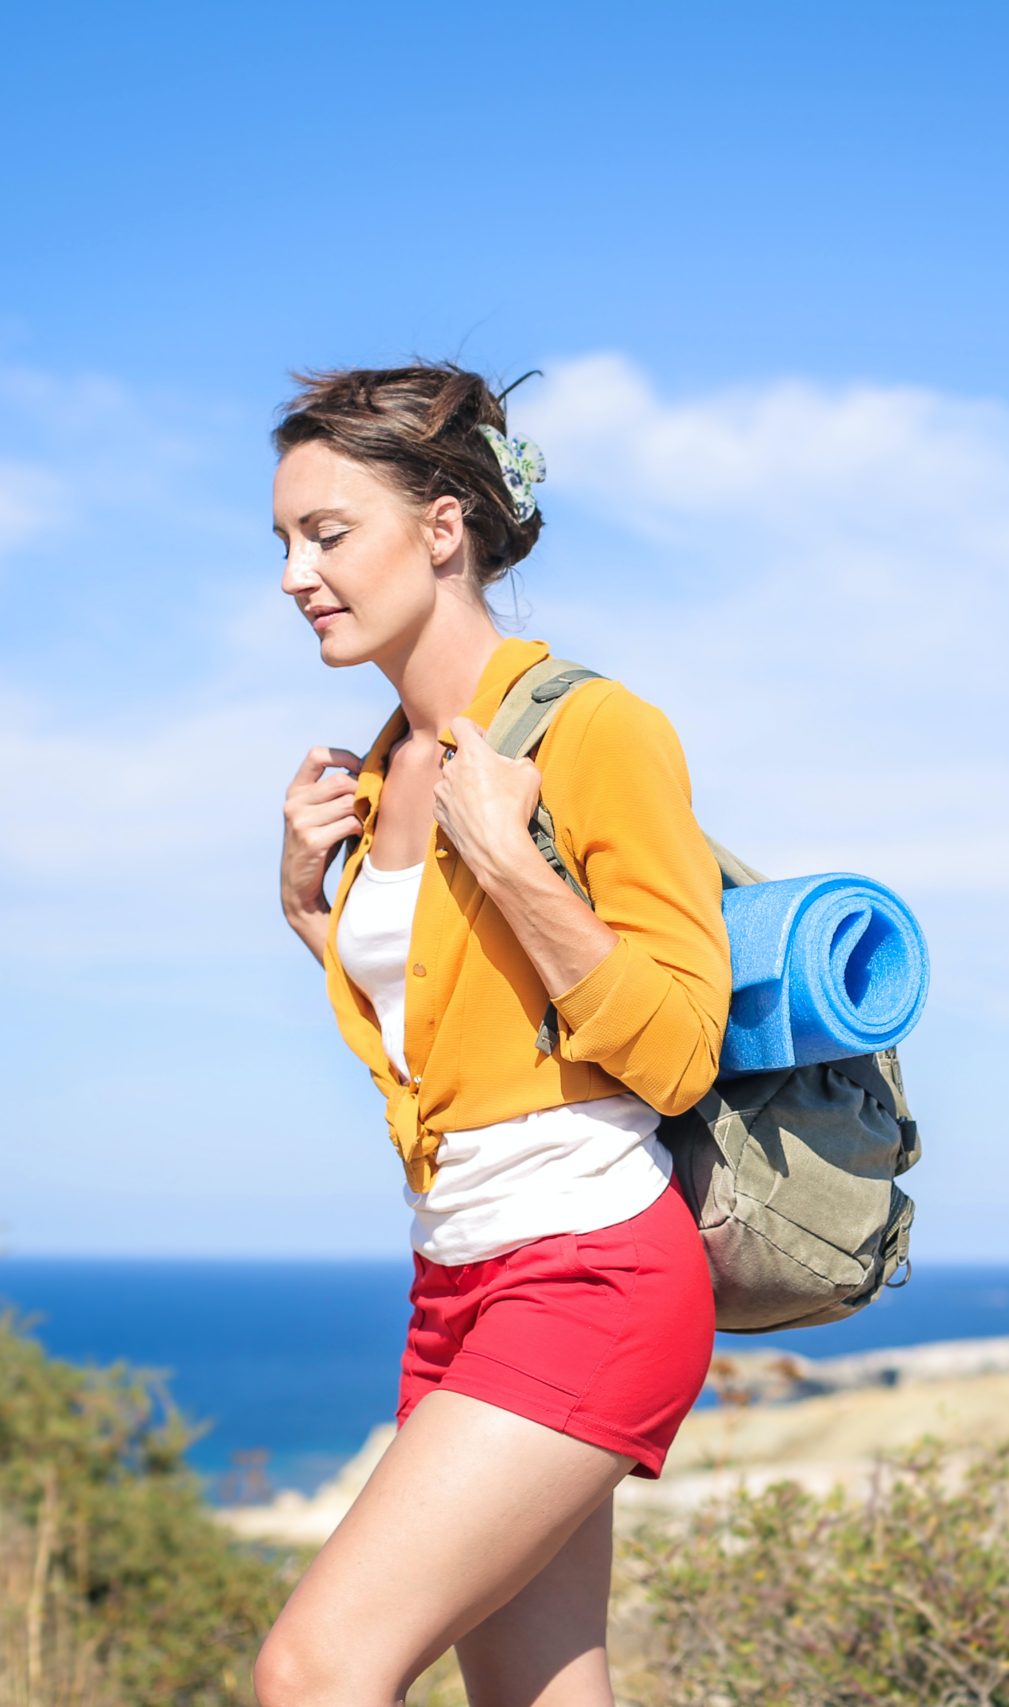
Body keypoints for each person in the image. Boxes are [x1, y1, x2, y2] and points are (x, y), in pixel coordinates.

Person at [258, 360, 729, 1707]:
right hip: (456, 1278)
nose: (296, 574)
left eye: (329, 534)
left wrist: (515, 866)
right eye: (284, 543)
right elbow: (448, 1058)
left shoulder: (596, 731)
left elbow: (679, 1047)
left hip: (591, 1274)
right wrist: (312, 915)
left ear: (444, 530)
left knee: (315, 1671)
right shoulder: (385, 762)